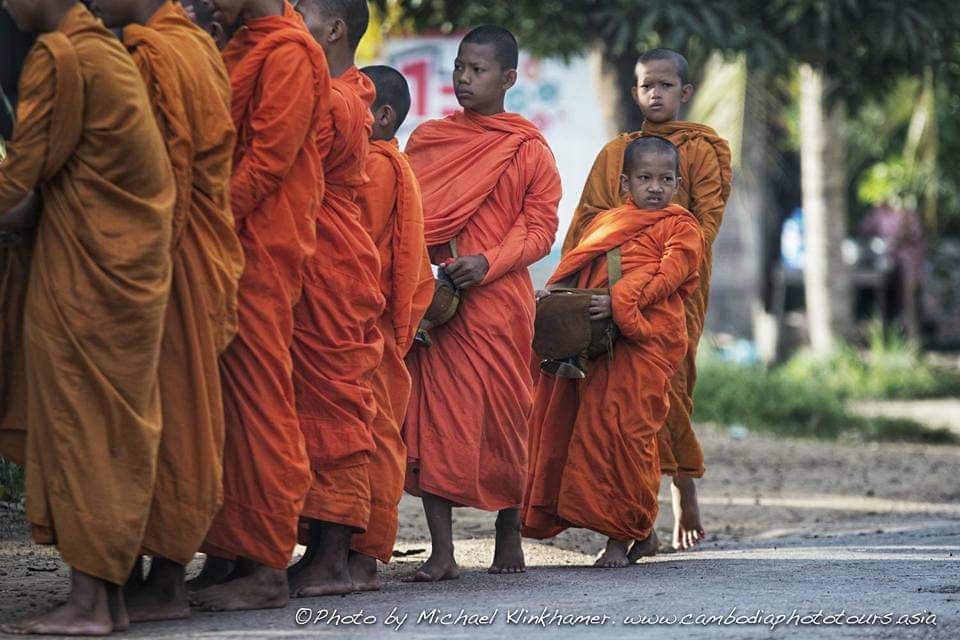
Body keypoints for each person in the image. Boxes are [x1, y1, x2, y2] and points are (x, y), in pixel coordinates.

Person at [0, 0, 175, 633]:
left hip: (89, 278)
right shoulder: (104, 51)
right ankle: (109, 600)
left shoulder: (62, 56)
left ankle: (90, 605)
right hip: (123, 268)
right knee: (106, 432)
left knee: (81, 430)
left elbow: (21, 174)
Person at [93, 0, 245, 622]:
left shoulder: (154, 51)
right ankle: (152, 574)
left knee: (156, 418)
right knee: (183, 414)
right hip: (190, 256)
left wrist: (138, 260)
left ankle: (153, 579)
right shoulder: (197, 47)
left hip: (163, 258)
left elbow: (163, 173)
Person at [402, 25, 561, 581]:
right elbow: (409, 217)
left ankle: (507, 534)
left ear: (509, 78)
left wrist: (488, 262)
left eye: (478, 70)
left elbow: (540, 229)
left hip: (500, 304)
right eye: (460, 68)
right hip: (442, 301)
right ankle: (441, 552)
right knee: (436, 420)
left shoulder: (528, 148)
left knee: (506, 416)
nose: (464, 79)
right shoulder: (428, 140)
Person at [188, 0, 330, 612]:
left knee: (261, 405)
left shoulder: (292, 52)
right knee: (225, 411)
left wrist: (204, 218)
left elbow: (268, 161)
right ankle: (232, 555)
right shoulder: (243, 43)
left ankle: (270, 566)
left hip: (259, 249)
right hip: (225, 248)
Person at [561, 48, 732, 552]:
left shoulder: (704, 150)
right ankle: (640, 521)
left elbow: (706, 224)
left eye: (665, 85)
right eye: (645, 86)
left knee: (665, 395)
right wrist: (579, 286)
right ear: (634, 92)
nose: (654, 94)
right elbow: (588, 221)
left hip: (675, 290)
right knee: (615, 406)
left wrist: (655, 273)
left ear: (686, 92)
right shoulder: (618, 153)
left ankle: (682, 488)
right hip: (607, 296)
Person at [523, 136, 703, 568]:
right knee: (594, 436)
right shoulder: (608, 222)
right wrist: (560, 298)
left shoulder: (682, 227)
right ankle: (641, 533)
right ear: (626, 181)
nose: (655, 187)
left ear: (677, 184)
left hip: (647, 342)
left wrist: (621, 302)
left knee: (628, 437)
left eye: (665, 179)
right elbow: (580, 268)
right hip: (600, 345)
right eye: (645, 178)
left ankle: (620, 538)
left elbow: (669, 275)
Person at [284, 0, 385, 598]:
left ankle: (330, 560)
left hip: (329, 255)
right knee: (306, 405)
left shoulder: (337, 98)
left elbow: (288, 164)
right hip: (322, 248)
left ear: (334, 28)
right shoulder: (343, 88)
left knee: (335, 407)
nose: (290, 20)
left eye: (301, 13)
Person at [349, 64, 433, 591]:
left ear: (382, 117)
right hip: (361, 321)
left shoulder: (378, 166)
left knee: (371, 435)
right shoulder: (382, 161)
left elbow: (353, 243)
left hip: (364, 320)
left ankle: (360, 557)